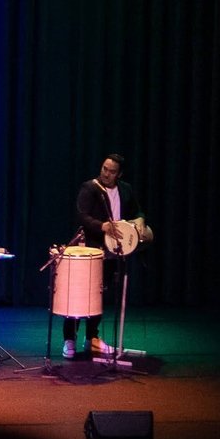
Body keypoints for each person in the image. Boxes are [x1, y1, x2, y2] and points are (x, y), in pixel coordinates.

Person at [63, 153, 153, 359]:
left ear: (119, 174)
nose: (106, 174)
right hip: (91, 251)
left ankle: (92, 339)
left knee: (99, 297)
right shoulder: (90, 188)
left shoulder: (125, 189)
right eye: (104, 168)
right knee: (78, 297)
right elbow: (82, 215)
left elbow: (138, 211)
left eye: (111, 171)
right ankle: (69, 339)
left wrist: (140, 220)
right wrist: (102, 226)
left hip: (114, 252)